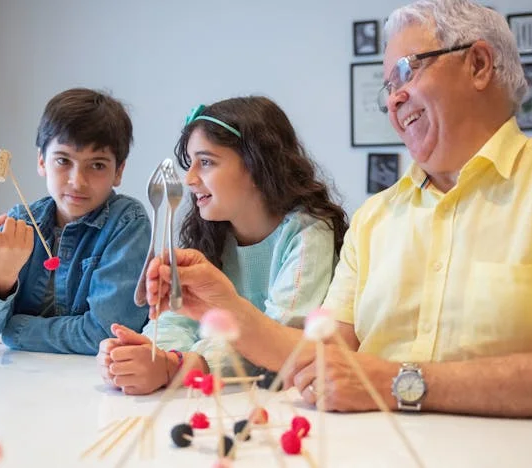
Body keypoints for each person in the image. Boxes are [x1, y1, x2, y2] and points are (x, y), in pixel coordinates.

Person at [144, 0, 532, 418]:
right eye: (388, 86)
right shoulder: (374, 218)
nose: (393, 99)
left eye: (407, 70)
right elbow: (324, 358)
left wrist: (401, 383)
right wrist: (225, 306)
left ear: (478, 64)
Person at [97, 96, 348, 395]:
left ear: (258, 164)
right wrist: (145, 353)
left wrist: (181, 365)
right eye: (189, 163)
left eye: (206, 162)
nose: (189, 179)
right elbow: (177, 315)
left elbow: (279, 336)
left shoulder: (308, 232)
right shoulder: (209, 235)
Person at [0, 88, 151, 355]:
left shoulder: (126, 223)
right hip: (17, 383)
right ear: (41, 161)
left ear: (119, 171)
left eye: (97, 165)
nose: (77, 181)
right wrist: (0, 275)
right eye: (63, 160)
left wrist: (13, 331)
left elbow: (107, 334)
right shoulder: (22, 222)